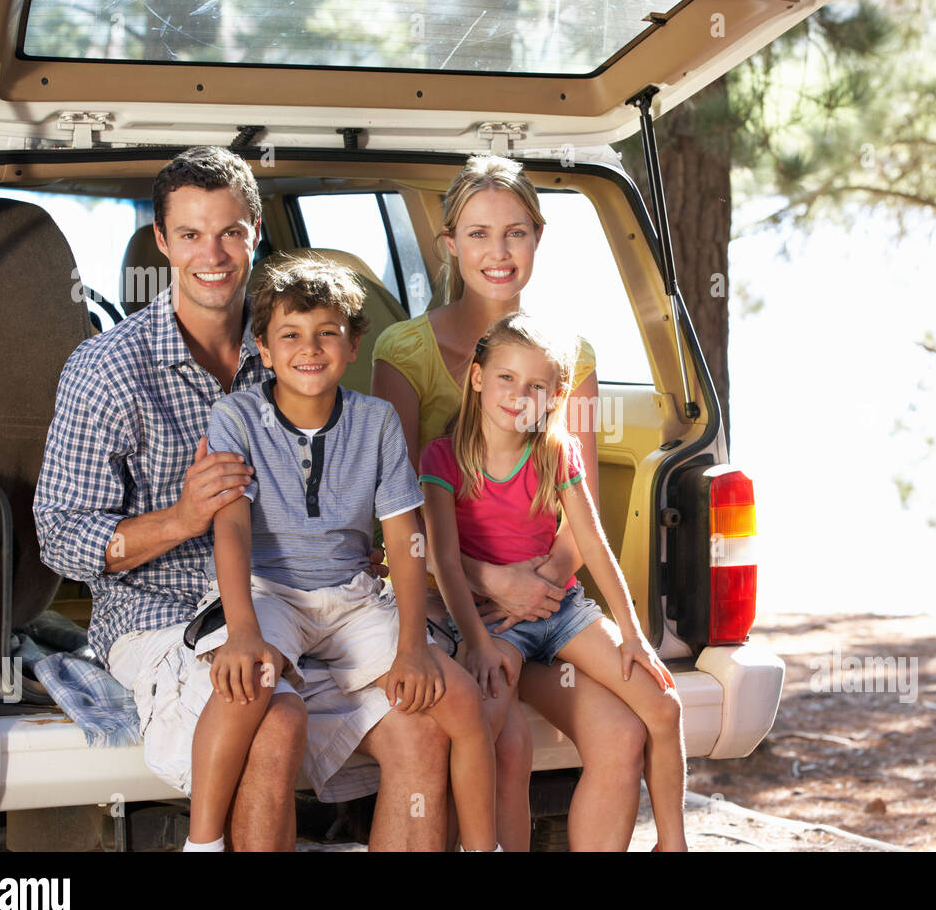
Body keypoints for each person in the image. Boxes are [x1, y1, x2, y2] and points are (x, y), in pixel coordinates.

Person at [34, 146, 450, 851]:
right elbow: (60, 534)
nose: (213, 254)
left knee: (424, 727)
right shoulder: (107, 370)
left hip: (308, 603)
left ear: (256, 232)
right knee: (271, 718)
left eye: (230, 231)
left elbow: (365, 485)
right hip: (162, 614)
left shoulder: (294, 347)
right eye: (191, 234)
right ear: (162, 242)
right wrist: (180, 519)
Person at [372, 154, 649, 851]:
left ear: (538, 237)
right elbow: (398, 512)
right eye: (478, 234)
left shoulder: (571, 353)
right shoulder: (403, 349)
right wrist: (492, 583)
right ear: (449, 245)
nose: (498, 253)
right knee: (508, 744)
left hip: (545, 606)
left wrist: (543, 589)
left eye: (515, 233)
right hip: (446, 601)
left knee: (622, 736)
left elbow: (574, 502)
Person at [186, 256, 499, 852]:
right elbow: (231, 529)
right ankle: (201, 843)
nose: (311, 348)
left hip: (352, 595)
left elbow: (406, 539)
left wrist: (412, 644)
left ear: (354, 344)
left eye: (328, 332)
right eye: (291, 335)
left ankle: (485, 848)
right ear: (264, 349)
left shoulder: (375, 421)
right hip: (267, 590)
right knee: (247, 682)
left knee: (457, 697)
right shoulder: (237, 416)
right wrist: (244, 632)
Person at [421, 312, 687, 852]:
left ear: (556, 394)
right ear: (476, 377)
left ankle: (673, 843)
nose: (518, 396)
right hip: (495, 624)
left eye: (535, 386)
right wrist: (475, 642)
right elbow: (444, 561)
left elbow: (592, 545)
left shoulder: (556, 453)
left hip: (562, 612)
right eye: (505, 379)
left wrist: (633, 634)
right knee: (484, 730)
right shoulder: (443, 459)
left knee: (663, 704)